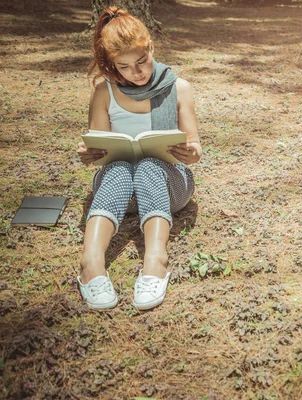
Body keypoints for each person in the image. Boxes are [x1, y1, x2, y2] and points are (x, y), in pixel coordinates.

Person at [76, 7, 201, 311]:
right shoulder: (104, 91)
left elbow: (194, 145)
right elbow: (100, 145)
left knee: (149, 166)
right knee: (118, 168)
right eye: (125, 66)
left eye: (142, 61)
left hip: (169, 185)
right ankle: (91, 263)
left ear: (150, 49)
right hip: (120, 189)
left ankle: (156, 260)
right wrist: (89, 153)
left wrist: (192, 151)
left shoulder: (178, 88)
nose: (137, 72)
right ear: (112, 65)